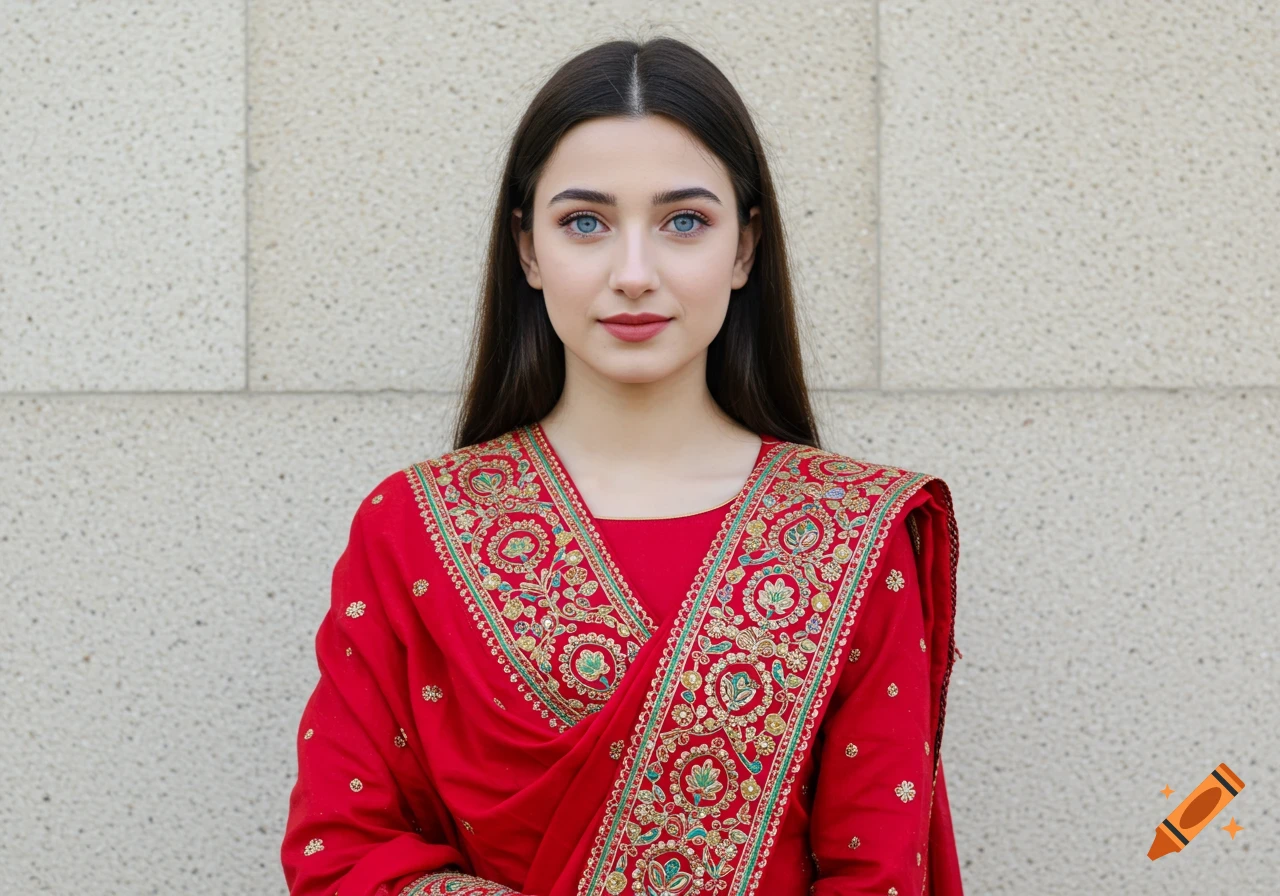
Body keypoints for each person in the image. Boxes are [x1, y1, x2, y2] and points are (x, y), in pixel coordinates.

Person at [281, 34, 964, 896]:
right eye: (585, 223)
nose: (634, 274)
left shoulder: (852, 536)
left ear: (745, 249)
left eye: (685, 221)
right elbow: (342, 857)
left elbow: (878, 875)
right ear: (528, 250)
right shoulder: (413, 526)